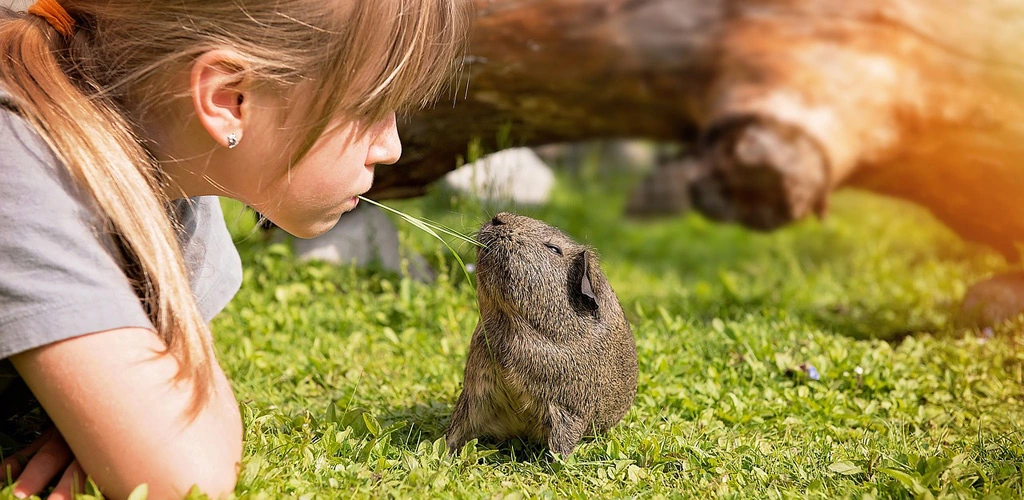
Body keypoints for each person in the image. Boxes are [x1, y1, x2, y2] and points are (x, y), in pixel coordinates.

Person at [0, 0, 470, 498]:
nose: (391, 146)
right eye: (370, 108)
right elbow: (186, 476)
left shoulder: (176, 178)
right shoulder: (21, 164)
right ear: (228, 98)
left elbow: (167, 413)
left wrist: (109, 409)